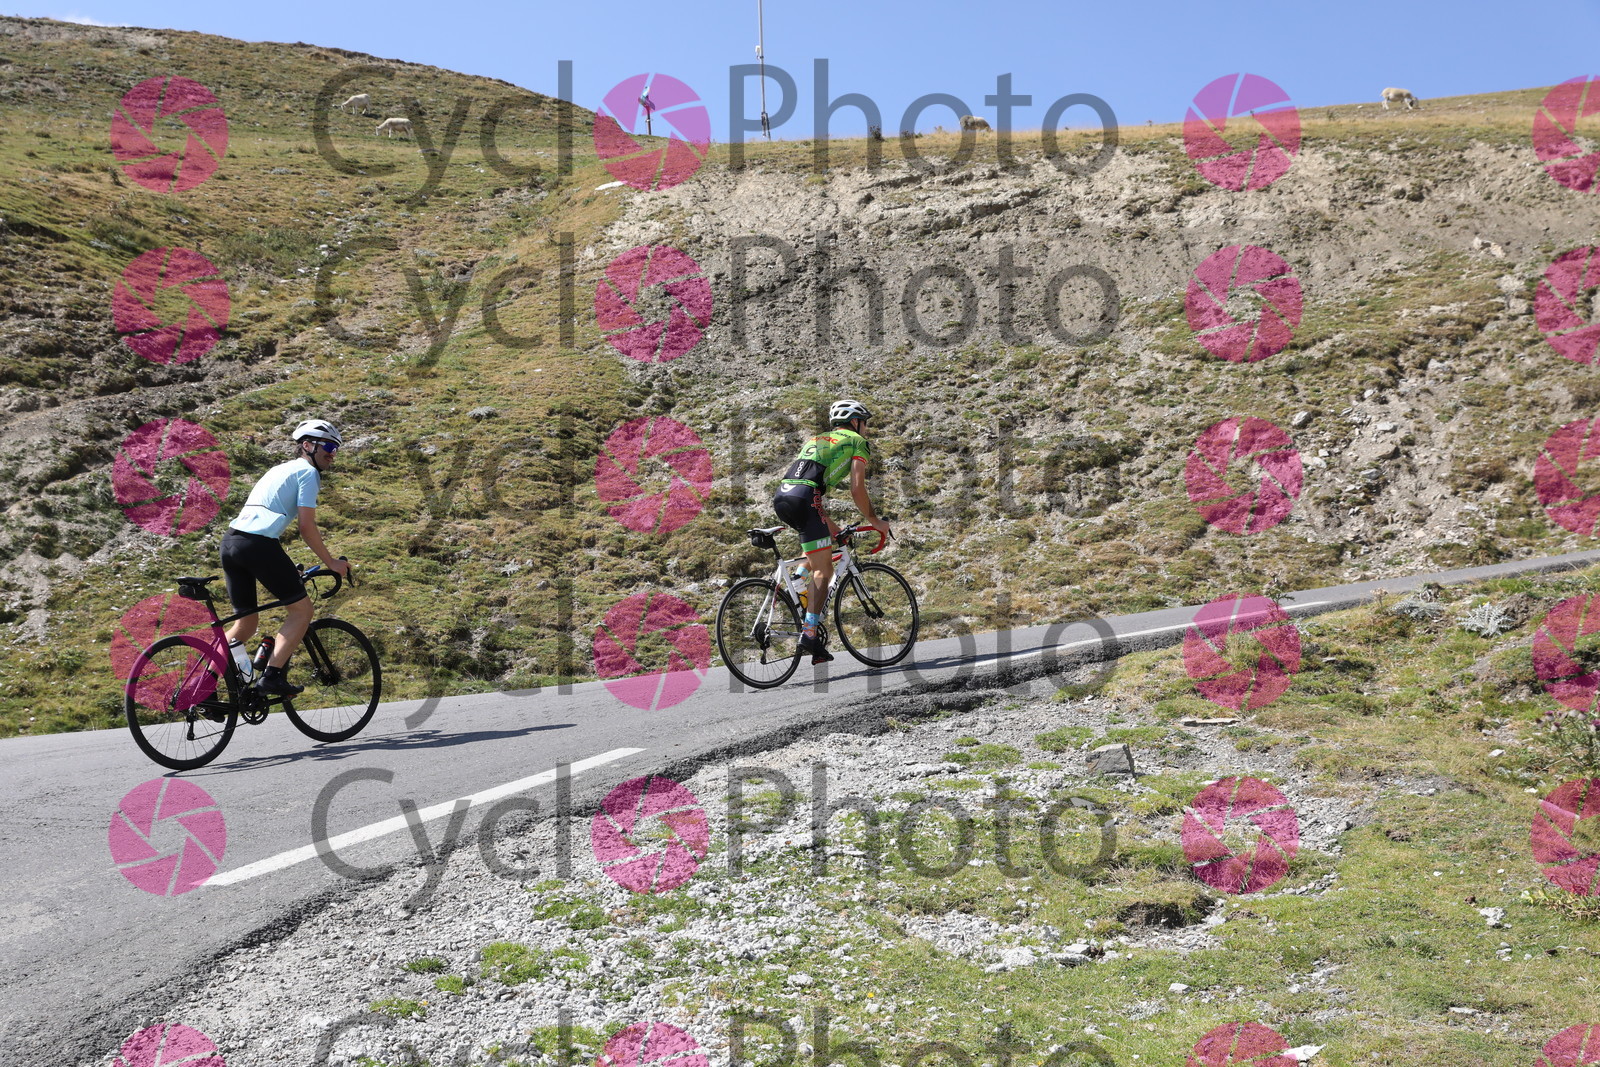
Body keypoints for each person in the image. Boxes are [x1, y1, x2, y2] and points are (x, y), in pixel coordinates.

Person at [220, 419, 351, 694]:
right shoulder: (308, 473)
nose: (333, 453)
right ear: (308, 446)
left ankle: (201, 687)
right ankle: (271, 677)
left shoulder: (279, 469)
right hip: (258, 545)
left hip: (231, 543)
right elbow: (306, 527)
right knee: (302, 611)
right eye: (329, 447)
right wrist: (331, 563)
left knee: (245, 624)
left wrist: (287, 568)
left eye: (336, 449)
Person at [772, 399, 893, 664]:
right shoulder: (857, 441)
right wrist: (874, 520)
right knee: (824, 571)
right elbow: (857, 489)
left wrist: (836, 531)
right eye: (865, 424)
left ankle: (798, 582)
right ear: (855, 422)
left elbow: (811, 496)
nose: (866, 429)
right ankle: (809, 633)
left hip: (783, 495)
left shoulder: (817, 439)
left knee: (819, 549)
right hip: (806, 497)